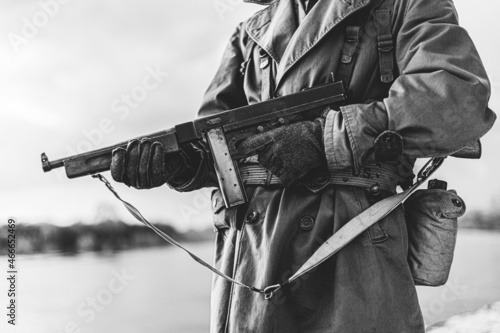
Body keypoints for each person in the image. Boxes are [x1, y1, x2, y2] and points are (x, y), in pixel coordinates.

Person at [110, 0, 496, 331]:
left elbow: (458, 94)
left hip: (352, 249)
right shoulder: (249, 34)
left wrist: (326, 139)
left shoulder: (401, 5)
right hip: (251, 256)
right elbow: (215, 141)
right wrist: (179, 166)